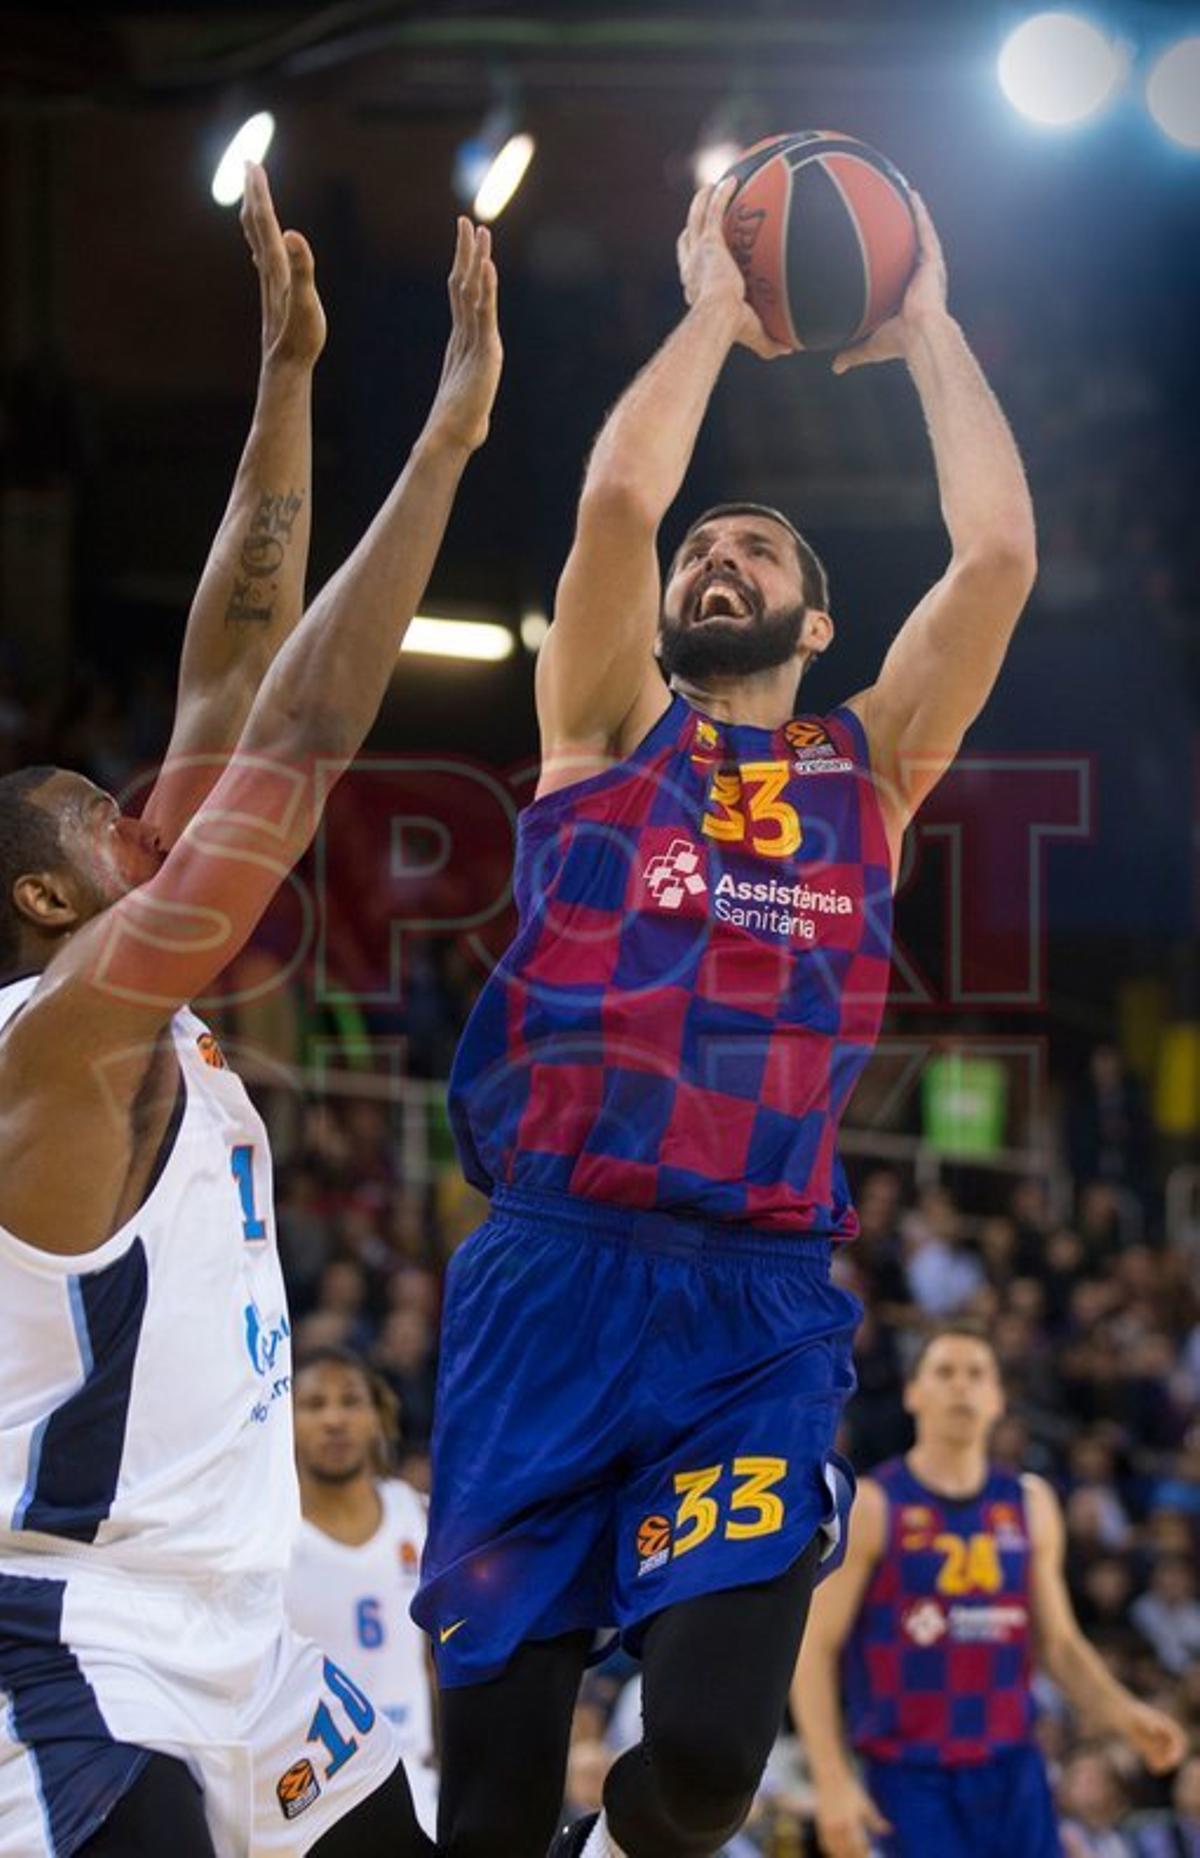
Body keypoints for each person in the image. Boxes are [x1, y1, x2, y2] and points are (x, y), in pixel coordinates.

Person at [413, 173, 1040, 1858]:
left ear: (817, 623)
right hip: (548, 1273)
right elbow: (621, 499)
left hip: (753, 1306)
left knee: (699, 1760)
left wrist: (925, 329)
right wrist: (710, 303)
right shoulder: (605, 726)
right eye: (709, 546)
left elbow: (996, 554)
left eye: (755, 546)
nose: (715, 551)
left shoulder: (868, 772)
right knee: (480, 1809)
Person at [0, 168, 501, 1857]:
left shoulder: (126, 1003)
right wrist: (439, 445)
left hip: (248, 1637)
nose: (142, 814)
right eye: (98, 818)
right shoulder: (62, 1042)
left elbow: (230, 671)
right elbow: (288, 754)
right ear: (45, 899)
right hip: (74, 1635)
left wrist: (287, 378)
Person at [792, 1323, 1186, 1858]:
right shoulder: (876, 1507)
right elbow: (812, 1650)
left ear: (998, 1397)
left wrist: (1126, 1714)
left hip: (1013, 1768)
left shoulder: (1030, 1503)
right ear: (913, 1393)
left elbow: (1060, 1646)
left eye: (977, 1373)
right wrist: (832, 1778)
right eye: (944, 1372)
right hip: (911, 1774)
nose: (961, 1386)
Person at [284, 1348, 438, 1837]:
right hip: (304, 1787)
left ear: (378, 1417)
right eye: (313, 1404)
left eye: (351, 1401)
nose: (334, 1419)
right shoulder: (265, 1534)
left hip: (412, 1770)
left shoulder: (422, 1516)